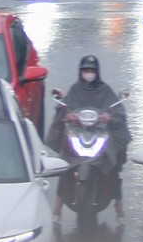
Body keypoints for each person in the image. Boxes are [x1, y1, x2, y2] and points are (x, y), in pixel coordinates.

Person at [46, 55, 131, 212]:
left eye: (91, 70)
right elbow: (63, 106)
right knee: (65, 163)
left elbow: (118, 110)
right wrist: (67, 115)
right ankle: (57, 208)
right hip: (78, 133)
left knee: (112, 164)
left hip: (100, 134)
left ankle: (119, 206)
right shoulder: (74, 89)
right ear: (80, 72)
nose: (88, 73)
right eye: (85, 70)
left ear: (97, 72)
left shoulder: (105, 90)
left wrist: (109, 116)